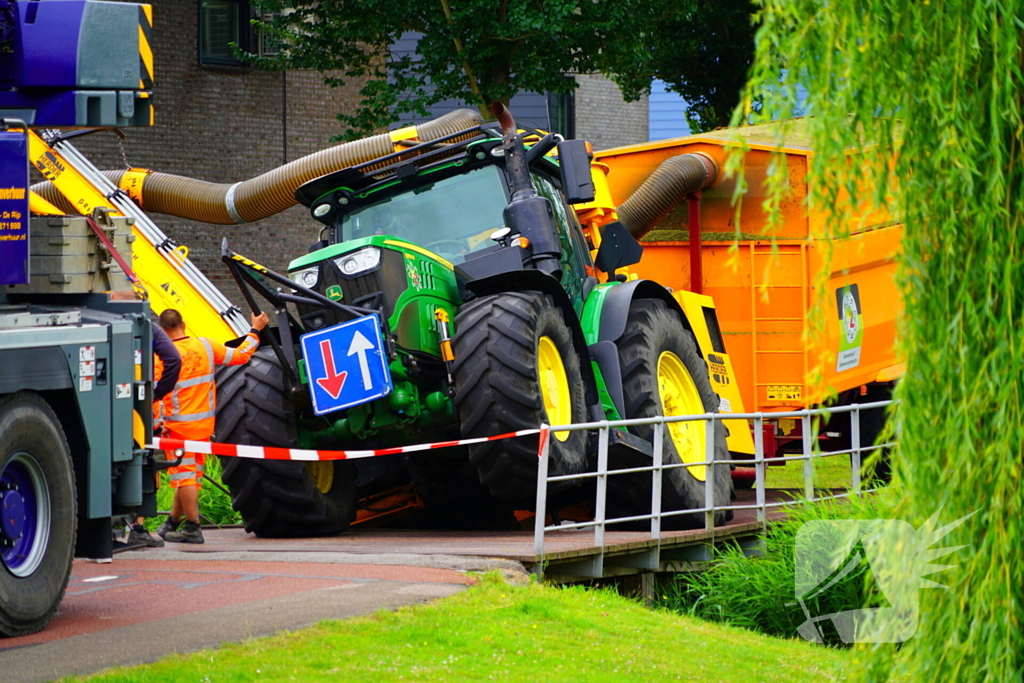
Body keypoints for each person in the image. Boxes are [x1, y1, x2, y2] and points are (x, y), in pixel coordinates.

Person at [155, 308, 269, 544]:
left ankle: (193, 527)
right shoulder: (207, 346)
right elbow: (241, 356)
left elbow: (154, 395)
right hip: (203, 427)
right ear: (183, 324)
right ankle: (173, 522)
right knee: (190, 477)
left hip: (177, 430)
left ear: (162, 332)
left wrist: (157, 424)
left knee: (184, 478)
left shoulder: (160, 357)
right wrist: (255, 330)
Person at [125, 324, 182, 548]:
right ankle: (137, 529)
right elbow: (174, 361)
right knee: (140, 464)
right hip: (139, 411)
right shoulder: (144, 326)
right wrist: (156, 394)